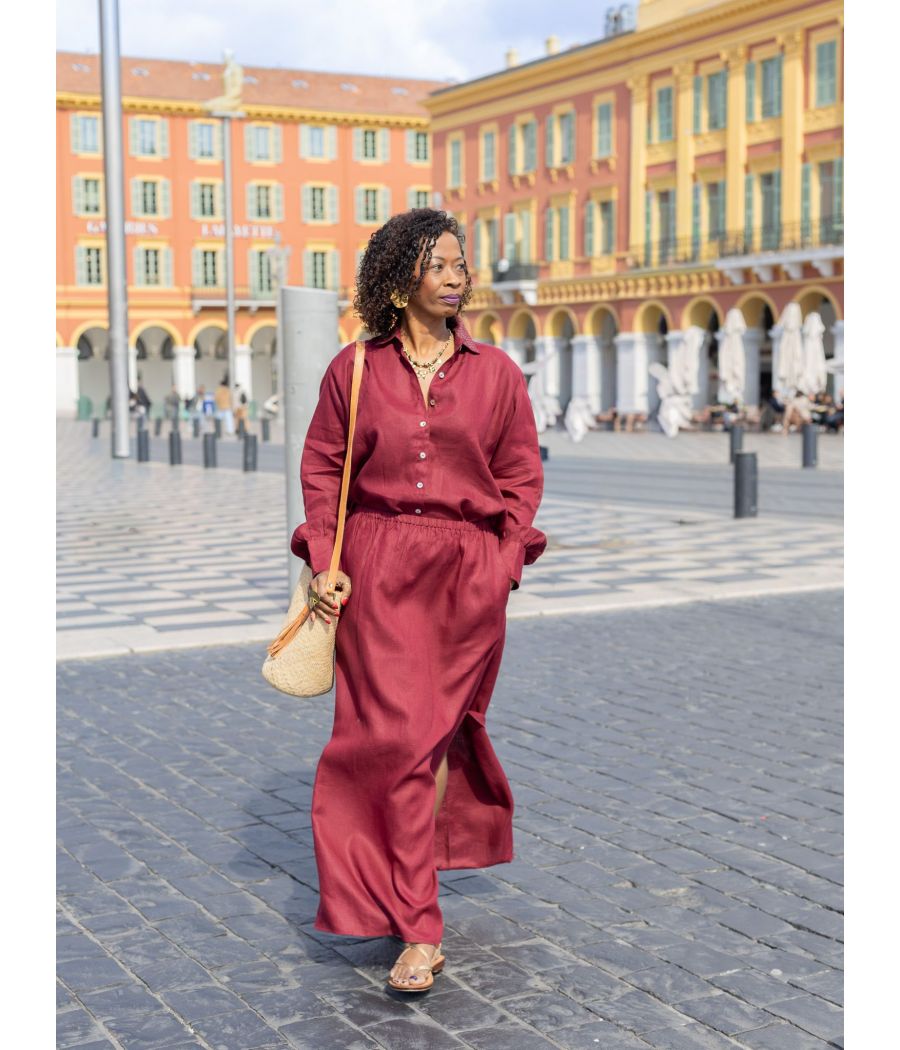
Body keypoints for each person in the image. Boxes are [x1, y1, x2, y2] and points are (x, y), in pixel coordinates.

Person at [290, 209, 546, 994]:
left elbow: (521, 476)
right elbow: (325, 469)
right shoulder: (354, 369)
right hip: (377, 568)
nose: (457, 275)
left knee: (430, 741)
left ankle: (405, 893)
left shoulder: (497, 372)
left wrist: (503, 563)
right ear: (401, 279)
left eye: (461, 264)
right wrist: (327, 562)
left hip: (467, 580)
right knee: (393, 742)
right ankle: (419, 928)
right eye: (440, 263)